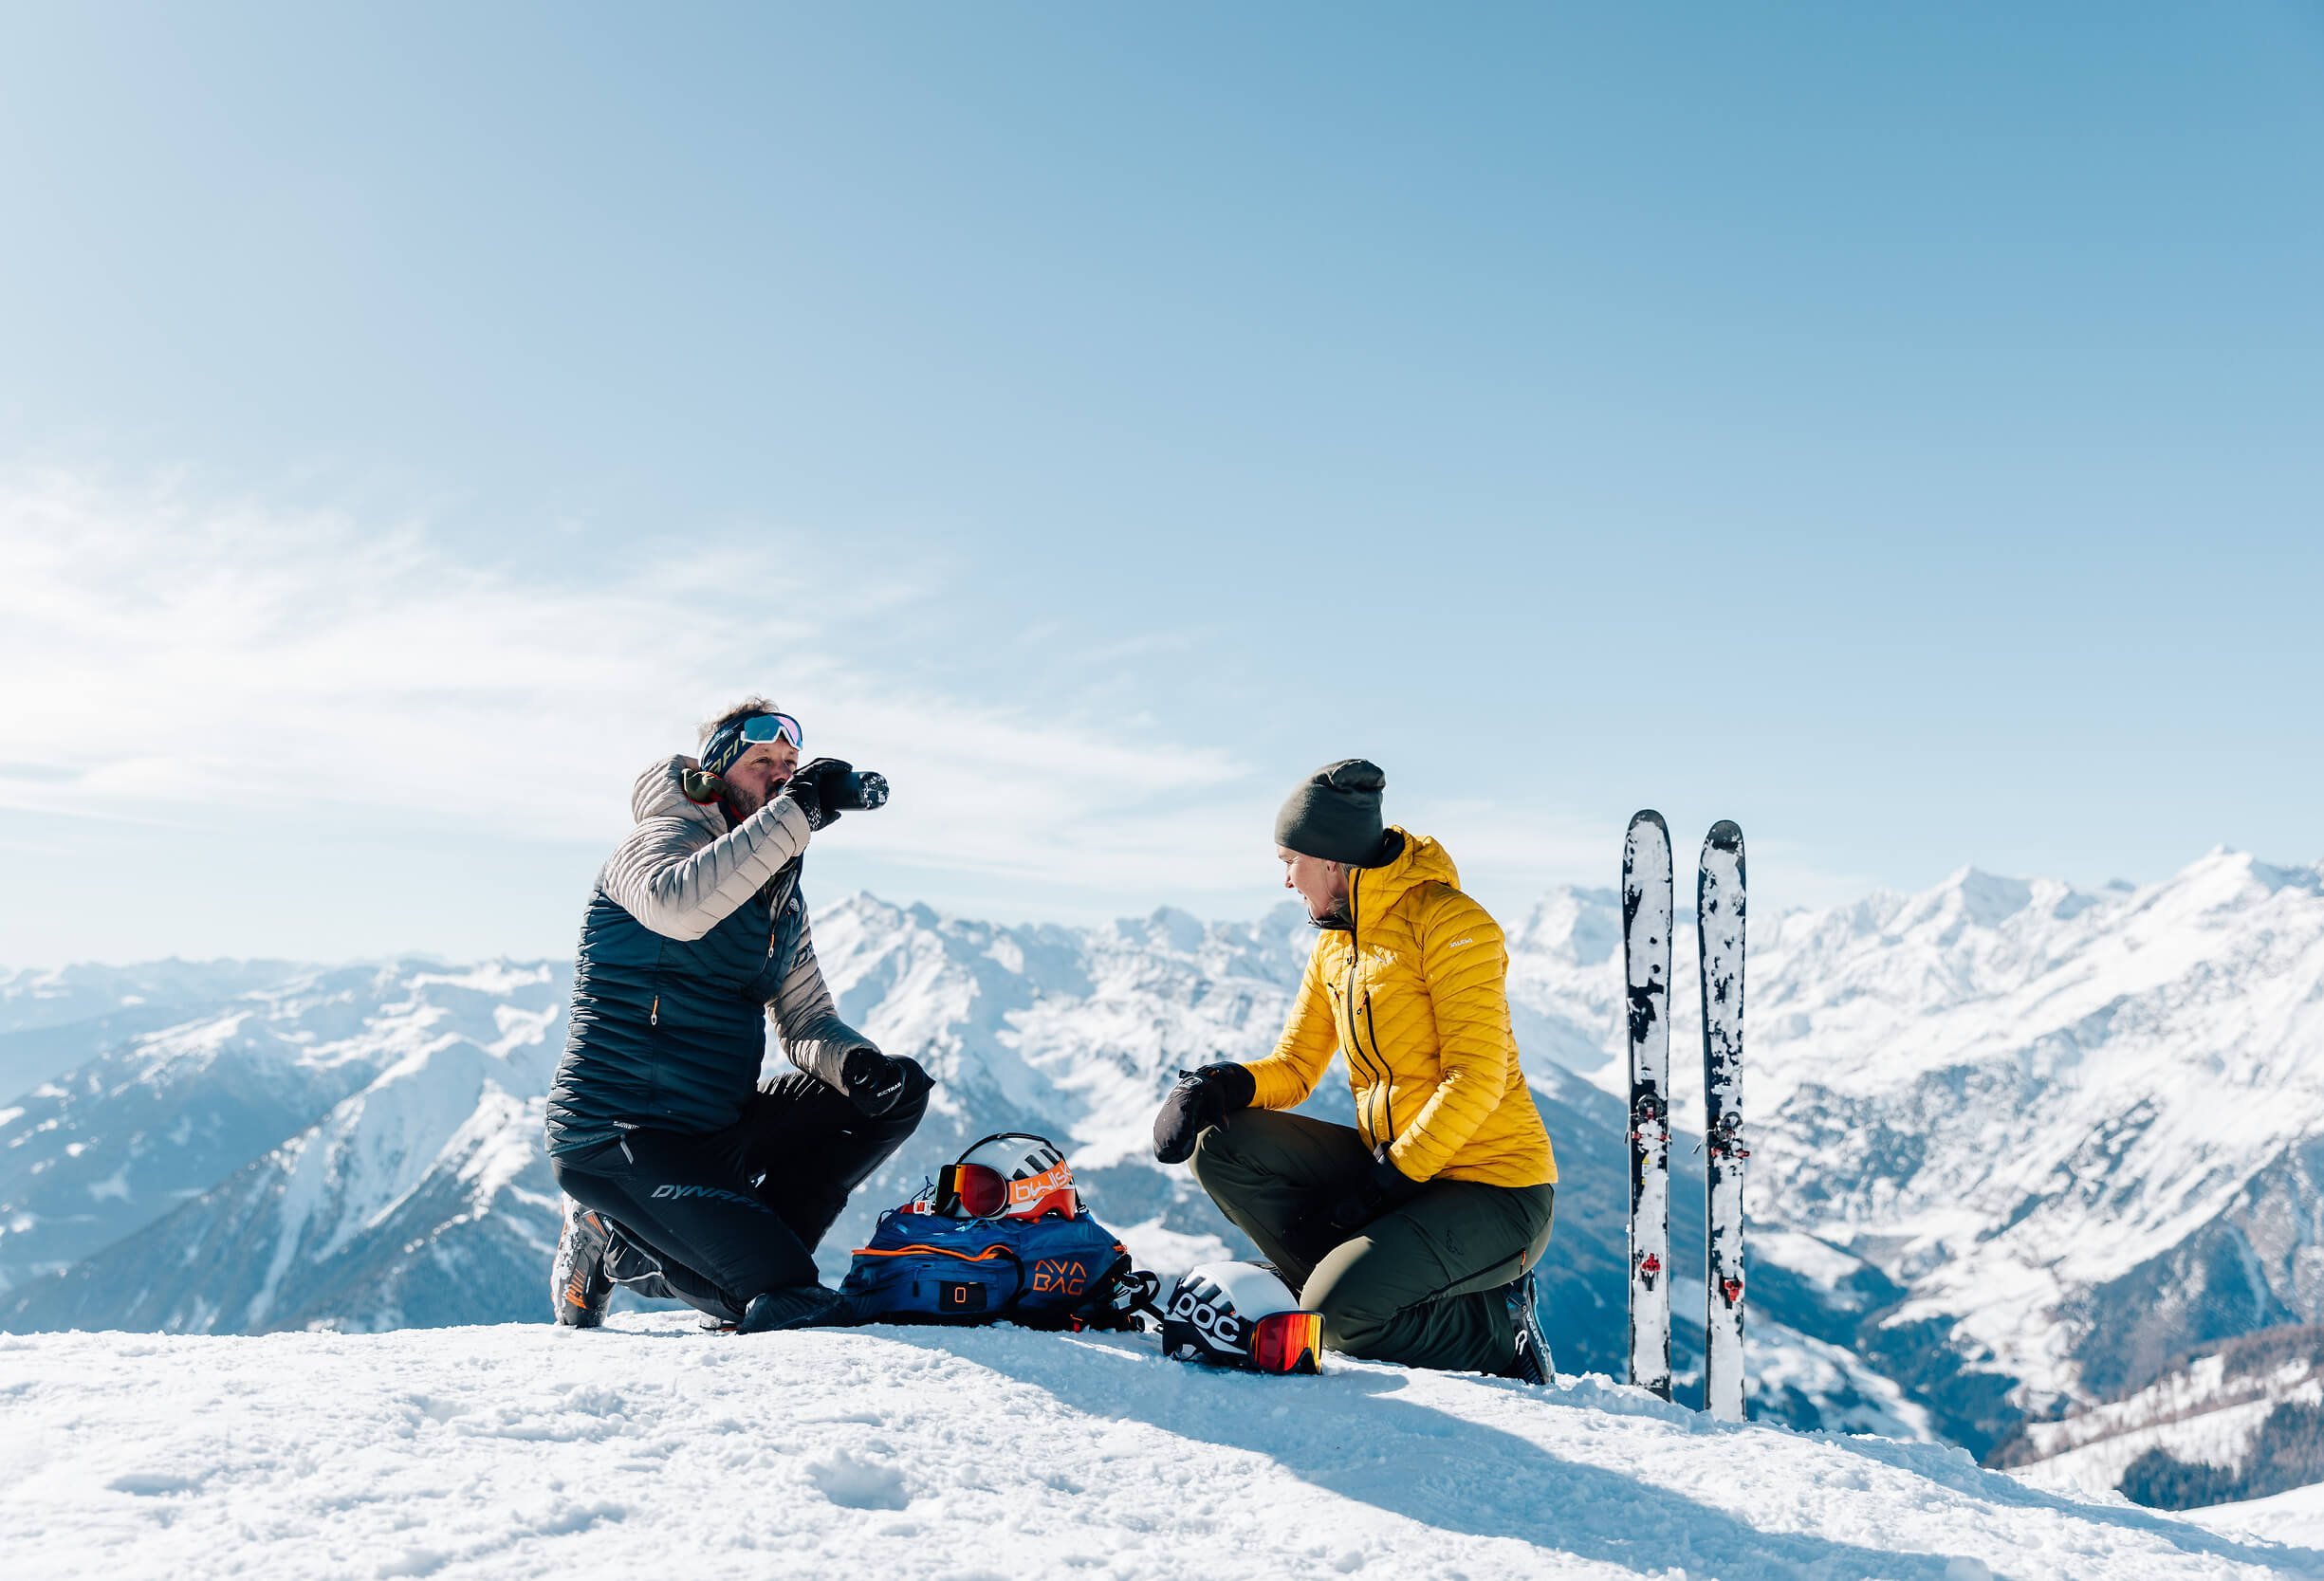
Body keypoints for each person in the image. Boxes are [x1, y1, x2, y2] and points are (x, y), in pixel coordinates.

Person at [1152, 759, 1559, 1382]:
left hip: (1495, 1189)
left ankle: (1499, 1329)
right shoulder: (1336, 946)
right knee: (1223, 1144)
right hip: (1395, 1172)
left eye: (1291, 860)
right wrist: (1221, 1084)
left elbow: (1477, 1077)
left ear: (1332, 859)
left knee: (1333, 1319)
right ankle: (1336, 1278)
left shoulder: (1451, 924)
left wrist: (1388, 1178)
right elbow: (1295, 1065)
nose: (1288, 880)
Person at [544, 697, 929, 1334]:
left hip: (715, 1131)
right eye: (762, 764)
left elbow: (806, 1021)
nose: (780, 775)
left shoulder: (778, 894)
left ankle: (749, 1249)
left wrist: (855, 1063)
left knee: (897, 1090)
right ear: (718, 772)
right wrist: (797, 811)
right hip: (618, 1133)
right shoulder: (656, 843)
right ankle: (616, 1238)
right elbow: (680, 908)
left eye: (790, 764)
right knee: (780, 1297)